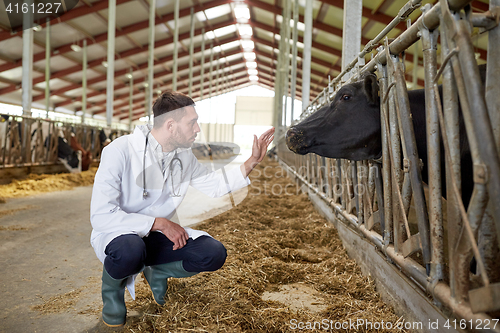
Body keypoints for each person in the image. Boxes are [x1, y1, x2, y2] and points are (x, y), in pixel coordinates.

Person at [90, 91, 275, 327]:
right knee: (130, 249)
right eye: (192, 122)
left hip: (156, 237)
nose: (197, 129)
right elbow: (101, 215)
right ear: (171, 125)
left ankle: (157, 271)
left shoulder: (184, 156)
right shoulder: (120, 151)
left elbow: (215, 185)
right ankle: (112, 296)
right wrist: (160, 223)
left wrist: (252, 162)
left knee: (213, 252)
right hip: (119, 234)